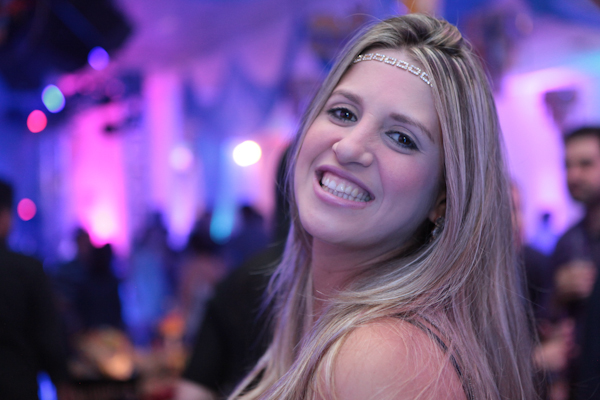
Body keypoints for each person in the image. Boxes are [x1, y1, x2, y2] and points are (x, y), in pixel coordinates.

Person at [226, 13, 536, 400]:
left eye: (401, 138)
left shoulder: (381, 357)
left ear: (443, 199)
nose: (349, 147)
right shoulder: (332, 326)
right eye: (343, 113)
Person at [0, 179, 69, 399]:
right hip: (17, 385)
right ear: (5, 216)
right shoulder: (27, 270)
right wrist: (61, 380)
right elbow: (46, 333)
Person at [551, 126, 600, 399]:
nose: (573, 176)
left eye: (585, 164)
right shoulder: (567, 242)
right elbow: (547, 321)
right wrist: (559, 295)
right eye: (568, 166)